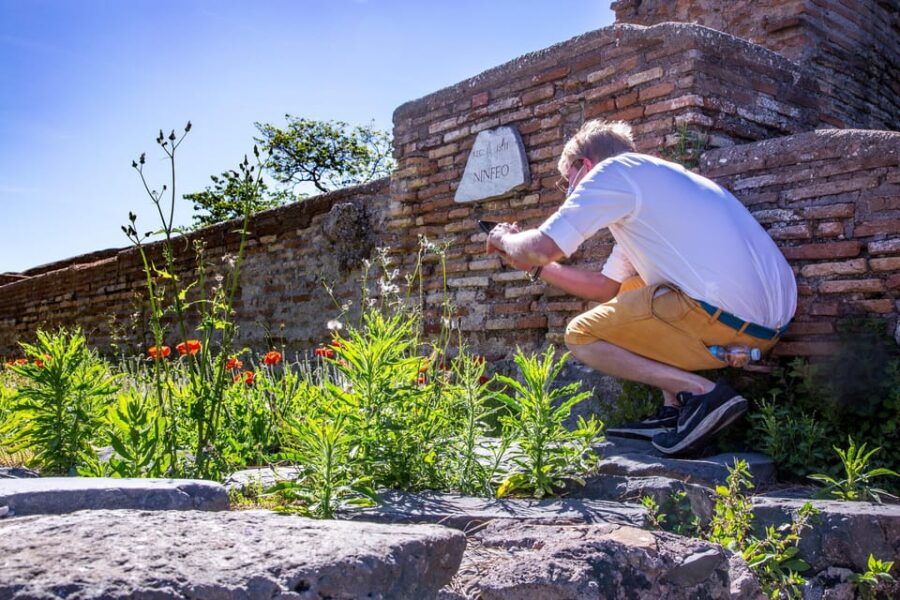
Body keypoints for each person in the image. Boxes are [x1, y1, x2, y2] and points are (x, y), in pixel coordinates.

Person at [485, 119, 796, 456]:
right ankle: (674, 409)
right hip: (766, 329)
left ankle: (704, 394)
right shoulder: (657, 186)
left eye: (567, 182)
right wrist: (536, 268)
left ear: (584, 167)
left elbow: (541, 247)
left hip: (721, 317)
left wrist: (504, 238)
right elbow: (606, 288)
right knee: (633, 288)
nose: (570, 190)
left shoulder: (613, 172)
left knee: (581, 336)